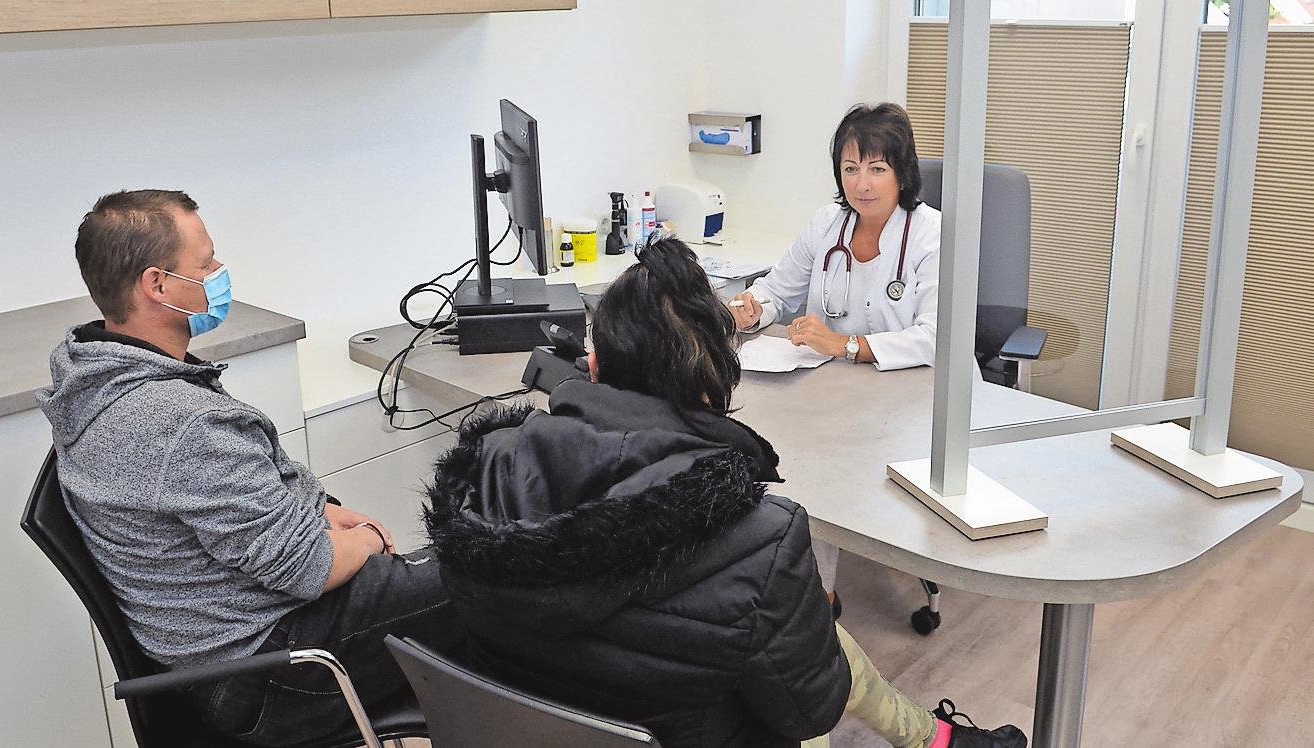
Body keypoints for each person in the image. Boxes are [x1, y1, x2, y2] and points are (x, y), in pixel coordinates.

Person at [423, 236, 1025, 748]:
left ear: (594, 365)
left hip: (526, 723)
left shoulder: (487, 474)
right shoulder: (761, 539)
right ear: (714, 380)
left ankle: (932, 736)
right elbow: (807, 714)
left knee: (788, 624)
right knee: (793, 637)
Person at [37, 189, 460, 747]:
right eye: (206, 263)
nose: (218, 273)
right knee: (500, 576)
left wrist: (323, 515)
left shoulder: (94, 377)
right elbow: (307, 568)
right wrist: (368, 538)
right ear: (157, 284)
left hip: (223, 654)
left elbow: (237, 509)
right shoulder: (179, 422)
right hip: (274, 674)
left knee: (483, 575)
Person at [729, 102, 940, 611]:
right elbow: (779, 291)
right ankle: (817, 592)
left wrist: (843, 345)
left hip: (909, 397)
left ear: (901, 172)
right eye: (850, 169)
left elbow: (935, 338)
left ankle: (813, 596)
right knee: (799, 455)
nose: (861, 183)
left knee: (825, 459)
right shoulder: (828, 224)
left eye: (877, 169)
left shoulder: (933, 234)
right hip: (832, 388)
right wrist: (750, 310)